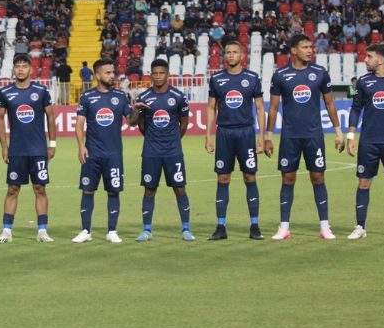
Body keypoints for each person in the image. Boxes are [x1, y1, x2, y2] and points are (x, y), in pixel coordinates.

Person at [265, 34, 345, 240]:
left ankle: (325, 226)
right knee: (287, 178)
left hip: (313, 135)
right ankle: (284, 227)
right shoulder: (280, 75)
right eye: (305, 47)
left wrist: (338, 132)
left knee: (318, 177)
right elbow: (273, 108)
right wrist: (267, 136)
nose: (310, 50)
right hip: (290, 136)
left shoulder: (320, 73)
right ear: (293, 50)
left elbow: (330, 104)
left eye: (311, 47)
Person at [204, 41, 267, 240]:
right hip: (224, 134)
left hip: (246, 133)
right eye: (228, 52)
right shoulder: (217, 79)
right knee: (223, 179)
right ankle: (221, 227)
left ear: (242, 55)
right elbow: (211, 108)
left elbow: (259, 108)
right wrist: (208, 135)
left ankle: (254, 226)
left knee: (250, 177)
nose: (231, 55)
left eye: (235, 52)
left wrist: (261, 136)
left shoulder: (252, 78)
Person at [346, 44, 384, 240]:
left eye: (369, 56)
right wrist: (351, 136)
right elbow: (355, 109)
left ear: (380, 59)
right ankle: (360, 226)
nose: (365, 59)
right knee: (363, 183)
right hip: (369, 142)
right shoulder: (363, 82)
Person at [0, 55, 57, 243]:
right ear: (13, 70)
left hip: (38, 150)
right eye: (17, 66)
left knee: (40, 189)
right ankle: (6, 231)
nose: (20, 69)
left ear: (31, 70)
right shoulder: (5, 92)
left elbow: (51, 117)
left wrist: (52, 144)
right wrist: (4, 146)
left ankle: (42, 231)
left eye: (24, 66)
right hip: (17, 150)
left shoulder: (41, 90)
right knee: (13, 189)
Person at [72, 58, 134, 244]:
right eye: (107, 72)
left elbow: (131, 121)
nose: (112, 75)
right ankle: (85, 231)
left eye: (113, 72)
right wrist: (81, 146)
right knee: (87, 191)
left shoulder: (121, 96)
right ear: (98, 75)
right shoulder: (87, 97)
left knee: (113, 192)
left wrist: (137, 111)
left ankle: (112, 231)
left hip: (114, 154)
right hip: (92, 153)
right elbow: (79, 124)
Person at [134, 59, 195, 242]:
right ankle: (146, 230)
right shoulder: (143, 98)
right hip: (151, 152)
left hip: (173, 152)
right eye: (155, 73)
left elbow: (183, 123)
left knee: (179, 188)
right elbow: (141, 125)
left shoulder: (178, 96)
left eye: (161, 73)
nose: (158, 76)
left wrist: (173, 140)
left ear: (167, 74)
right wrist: (154, 139)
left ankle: (186, 229)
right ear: (150, 75)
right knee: (149, 189)